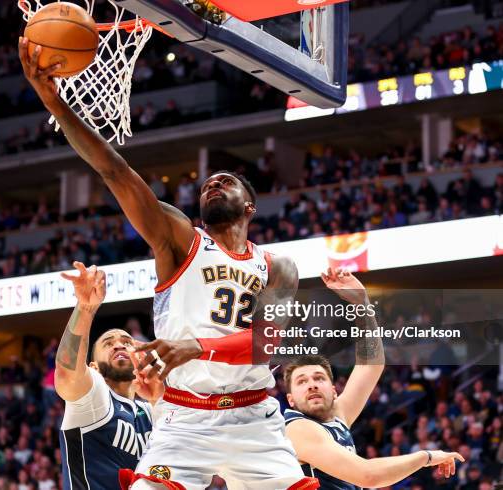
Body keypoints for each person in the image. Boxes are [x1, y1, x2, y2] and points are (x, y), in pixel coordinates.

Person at [19, 38, 316, 489]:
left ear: (250, 206)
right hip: (185, 416)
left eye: (227, 182)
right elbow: (115, 171)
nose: (213, 185)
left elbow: (266, 341)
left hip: (255, 416)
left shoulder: (279, 266)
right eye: (207, 186)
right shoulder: (180, 240)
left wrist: (198, 346)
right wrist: (55, 104)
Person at [283, 268, 463, 489]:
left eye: (319, 378)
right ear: (291, 400)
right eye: (302, 381)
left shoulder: (337, 415)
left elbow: (371, 365)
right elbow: (368, 476)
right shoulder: (298, 427)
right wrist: (426, 457)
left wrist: (362, 303)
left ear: (334, 390)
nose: (311, 384)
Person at [55, 261, 162, 490]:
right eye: (108, 343)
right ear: (93, 368)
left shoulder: (150, 410)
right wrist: (85, 308)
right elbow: (66, 373)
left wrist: (158, 399)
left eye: (126, 342)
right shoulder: (96, 397)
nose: (119, 346)